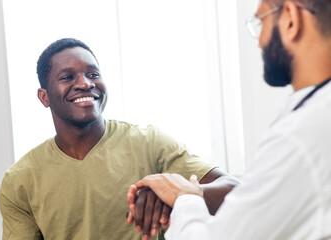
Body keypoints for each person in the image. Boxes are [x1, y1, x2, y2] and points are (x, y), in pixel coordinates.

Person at [0, 38, 239, 240]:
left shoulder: (150, 144)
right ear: (44, 97)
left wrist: (180, 191)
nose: (85, 83)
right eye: (68, 77)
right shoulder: (19, 181)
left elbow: (235, 191)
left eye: (93, 73)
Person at [128, 0, 331, 239]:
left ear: (290, 18)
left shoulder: (303, 134)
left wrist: (185, 196)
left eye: (260, 21)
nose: (259, 41)